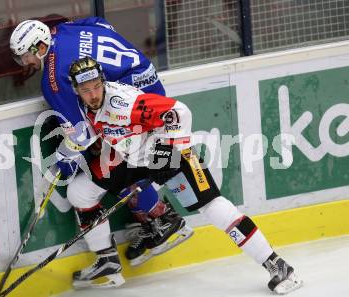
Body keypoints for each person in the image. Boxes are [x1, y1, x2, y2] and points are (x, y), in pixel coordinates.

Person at [63, 56, 303, 294]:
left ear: (103, 82)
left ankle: (276, 264)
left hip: (174, 153)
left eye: (97, 87)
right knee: (79, 192)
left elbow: (177, 112)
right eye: (86, 90)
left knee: (213, 207)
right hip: (133, 159)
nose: (93, 94)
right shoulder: (83, 108)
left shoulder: (122, 103)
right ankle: (107, 262)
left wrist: (166, 152)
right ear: (76, 90)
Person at [9, 17, 193, 288]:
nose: (25, 64)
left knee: (113, 163)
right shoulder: (65, 29)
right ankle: (150, 225)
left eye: (25, 57)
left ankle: (163, 221)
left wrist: (64, 160)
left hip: (129, 108)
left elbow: (80, 134)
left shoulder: (53, 79)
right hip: (149, 89)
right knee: (112, 159)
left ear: (39, 46)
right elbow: (102, 24)